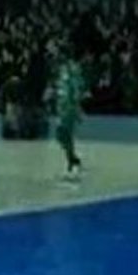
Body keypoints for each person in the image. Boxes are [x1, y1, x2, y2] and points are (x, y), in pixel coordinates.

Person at [55, 45, 86, 181]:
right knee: (63, 135)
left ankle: (72, 162)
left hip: (69, 108)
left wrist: (77, 107)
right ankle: (72, 160)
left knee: (65, 133)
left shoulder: (73, 69)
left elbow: (76, 90)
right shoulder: (63, 70)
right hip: (63, 108)